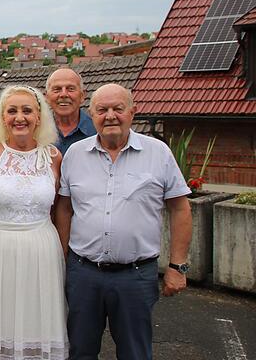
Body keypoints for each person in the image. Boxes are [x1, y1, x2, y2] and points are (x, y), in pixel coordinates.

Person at [54, 84, 192, 359]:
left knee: (135, 353)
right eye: (102, 110)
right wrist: (62, 257)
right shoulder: (75, 155)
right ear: (91, 114)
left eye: (118, 109)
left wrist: (178, 266)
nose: (110, 116)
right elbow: (65, 209)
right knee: (80, 351)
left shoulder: (158, 153)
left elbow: (180, 209)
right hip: (84, 274)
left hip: (136, 275)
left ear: (133, 112)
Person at [0, 85, 68, 360]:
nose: (20, 117)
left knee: (35, 317)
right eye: (12, 111)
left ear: (39, 117)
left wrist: (64, 252)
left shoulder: (54, 158)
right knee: (0, 318)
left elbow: (60, 210)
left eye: (27, 111)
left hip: (41, 249)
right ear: (2, 117)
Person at [45, 68, 96, 154]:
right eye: (57, 89)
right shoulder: (36, 132)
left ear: (82, 96)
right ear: (46, 96)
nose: (63, 94)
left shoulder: (97, 132)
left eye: (70, 89)